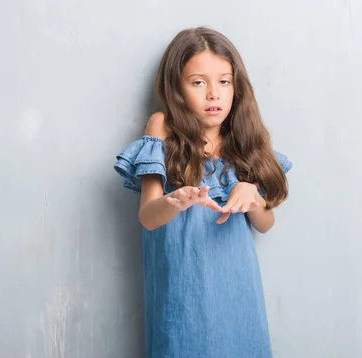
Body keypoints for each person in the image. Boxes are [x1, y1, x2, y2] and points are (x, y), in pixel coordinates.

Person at [114, 27, 292, 357]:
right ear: (176, 88)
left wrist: (248, 189)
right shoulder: (162, 128)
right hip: (184, 291)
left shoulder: (243, 142)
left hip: (238, 292)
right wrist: (176, 200)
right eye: (198, 82)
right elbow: (149, 218)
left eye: (224, 81)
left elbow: (265, 224)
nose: (214, 94)